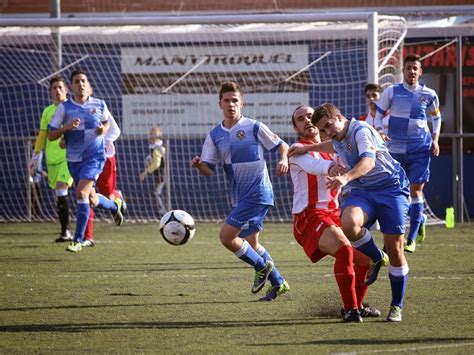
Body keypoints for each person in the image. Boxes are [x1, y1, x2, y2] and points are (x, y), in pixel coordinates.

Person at [289, 103, 410, 322]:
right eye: (300, 119)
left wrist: (375, 139)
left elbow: (362, 155)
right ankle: (351, 309)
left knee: (372, 256)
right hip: (311, 215)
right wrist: (328, 167)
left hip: (382, 192)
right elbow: (313, 163)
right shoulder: (297, 149)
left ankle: (371, 303)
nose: (307, 121)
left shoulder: (344, 138)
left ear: (338, 118)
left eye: (309, 116)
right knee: (346, 247)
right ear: (296, 129)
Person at [191, 80, 289, 301]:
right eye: (227, 100)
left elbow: (282, 145)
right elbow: (209, 171)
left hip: (258, 192)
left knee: (227, 237)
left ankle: (261, 267)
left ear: (241, 103)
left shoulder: (254, 126)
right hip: (239, 196)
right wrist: (199, 165)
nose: (231, 104)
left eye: (235, 100)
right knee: (252, 244)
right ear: (220, 104)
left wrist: (283, 159)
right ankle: (279, 282)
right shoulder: (215, 135)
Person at [48, 69, 125, 253]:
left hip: (94, 157)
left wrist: (103, 130)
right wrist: (66, 128)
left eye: (83, 80)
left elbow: (107, 123)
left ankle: (78, 239)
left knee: (81, 193)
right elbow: (51, 135)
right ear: (71, 87)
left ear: (87, 84)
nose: (80, 84)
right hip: (74, 160)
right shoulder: (64, 108)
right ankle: (114, 206)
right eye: (76, 81)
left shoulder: (99, 104)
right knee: (90, 198)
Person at [374, 53, 441, 253]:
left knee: (415, 190)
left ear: (420, 72)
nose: (411, 71)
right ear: (403, 71)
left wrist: (435, 139)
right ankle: (409, 225)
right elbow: (378, 115)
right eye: (408, 67)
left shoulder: (429, 94)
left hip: (420, 149)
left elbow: (436, 118)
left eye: (415, 68)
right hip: (395, 150)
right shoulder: (391, 92)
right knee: (396, 193)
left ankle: (410, 239)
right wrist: (379, 133)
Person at [29, 76, 74, 242]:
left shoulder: (72, 108)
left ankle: (66, 231)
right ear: (50, 92)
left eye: (60, 87)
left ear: (66, 90)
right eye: (54, 88)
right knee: (60, 194)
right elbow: (42, 135)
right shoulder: (47, 111)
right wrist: (35, 156)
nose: (57, 91)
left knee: (62, 188)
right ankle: (66, 229)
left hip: (69, 157)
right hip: (52, 159)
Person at [83, 113, 122, 247]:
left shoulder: (99, 107)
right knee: (86, 195)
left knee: (107, 196)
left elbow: (115, 131)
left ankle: (117, 199)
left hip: (106, 157)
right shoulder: (69, 110)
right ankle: (88, 237)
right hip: (87, 159)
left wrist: (99, 143)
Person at [139, 126, 167, 216]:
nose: (150, 138)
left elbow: (156, 163)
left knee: (156, 192)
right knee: (155, 192)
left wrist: (145, 172)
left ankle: (163, 213)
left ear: (157, 137)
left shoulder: (157, 149)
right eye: (150, 135)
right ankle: (161, 212)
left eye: (153, 136)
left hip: (161, 175)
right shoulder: (155, 148)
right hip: (157, 175)